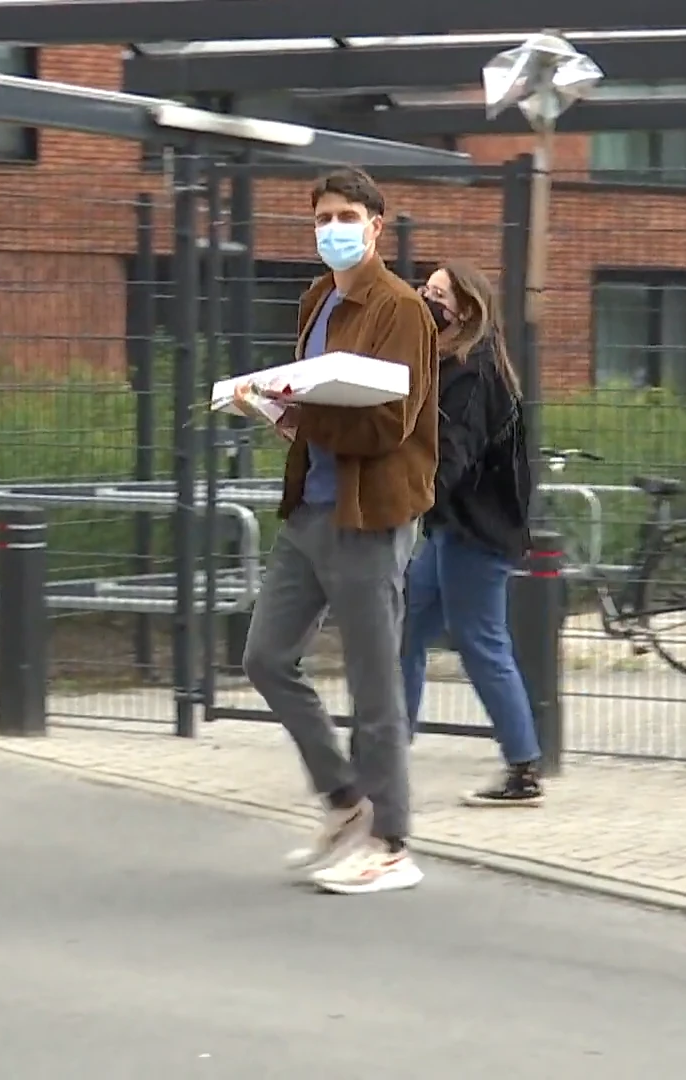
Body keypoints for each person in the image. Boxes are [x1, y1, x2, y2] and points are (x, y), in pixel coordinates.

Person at [238, 167, 439, 895]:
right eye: (322, 215)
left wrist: (291, 406)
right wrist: (269, 405)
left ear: (377, 226)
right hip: (309, 511)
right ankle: (345, 799)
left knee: (374, 683)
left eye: (347, 214)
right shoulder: (318, 296)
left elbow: (391, 421)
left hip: (370, 515)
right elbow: (314, 402)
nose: (333, 228)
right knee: (265, 658)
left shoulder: (401, 310)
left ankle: (390, 843)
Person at [402, 261, 542, 806]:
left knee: (482, 643)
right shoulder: (453, 365)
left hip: (476, 532)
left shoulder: (473, 373)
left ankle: (524, 768)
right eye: (425, 289)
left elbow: (452, 453)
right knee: (406, 631)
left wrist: (407, 497)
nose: (426, 298)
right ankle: (386, 748)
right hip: (453, 530)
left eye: (438, 293)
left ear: (465, 309)